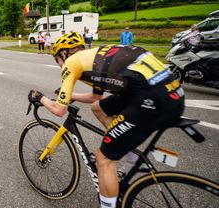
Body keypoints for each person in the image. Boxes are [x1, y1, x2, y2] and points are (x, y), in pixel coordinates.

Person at [28, 32, 184, 208]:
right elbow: (96, 97)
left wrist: (40, 98)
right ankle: (130, 154)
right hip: (171, 93)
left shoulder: (71, 62)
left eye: (57, 59)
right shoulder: (96, 56)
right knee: (99, 107)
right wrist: (72, 96)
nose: (59, 64)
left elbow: (59, 110)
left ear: (64, 53)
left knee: (103, 158)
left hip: (151, 98)